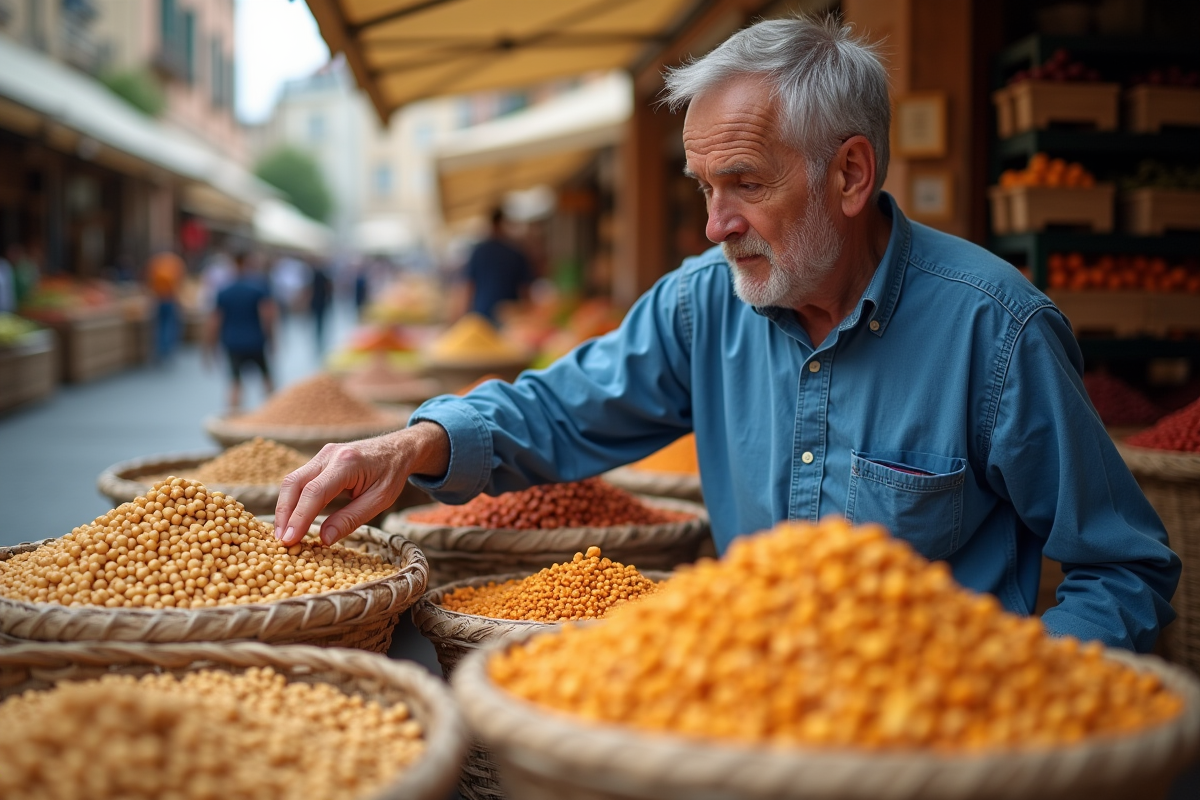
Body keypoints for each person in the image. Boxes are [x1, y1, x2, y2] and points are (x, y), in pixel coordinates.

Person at [274, 16, 1178, 653]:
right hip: (747, 704)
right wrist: (414, 443)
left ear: (851, 173)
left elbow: (1125, 570)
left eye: (743, 182)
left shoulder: (996, 330)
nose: (715, 224)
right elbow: (559, 409)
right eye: (704, 186)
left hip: (928, 739)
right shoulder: (702, 303)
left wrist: (1014, 684)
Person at [205, 251, 276, 412]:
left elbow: (214, 322)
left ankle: (235, 419)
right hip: (256, 341)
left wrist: (209, 348)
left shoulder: (224, 291)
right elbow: (268, 316)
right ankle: (273, 414)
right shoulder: (259, 288)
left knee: (235, 382)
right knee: (267, 379)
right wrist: (272, 339)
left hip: (233, 342)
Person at [458, 208, 534, 322]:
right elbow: (525, 290)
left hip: (482, 315)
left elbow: (468, 287)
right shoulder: (515, 252)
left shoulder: (478, 252)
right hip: (508, 317)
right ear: (504, 225)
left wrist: (463, 316)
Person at [145, 248, 186, 362]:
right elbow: (180, 282)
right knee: (169, 324)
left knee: (160, 325)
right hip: (170, 299)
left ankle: (161, 348)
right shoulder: (175, 262)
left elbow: (149, 281)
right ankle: (167, 348)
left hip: (159, 299)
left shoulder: (155, 262)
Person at [309, 260, 332, 352]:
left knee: (317, 320)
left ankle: (318, 337)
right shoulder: (322, 274)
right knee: (320, 321)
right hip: (321, 301)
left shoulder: (314, 274)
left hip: (317, 301)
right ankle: (319, 336)